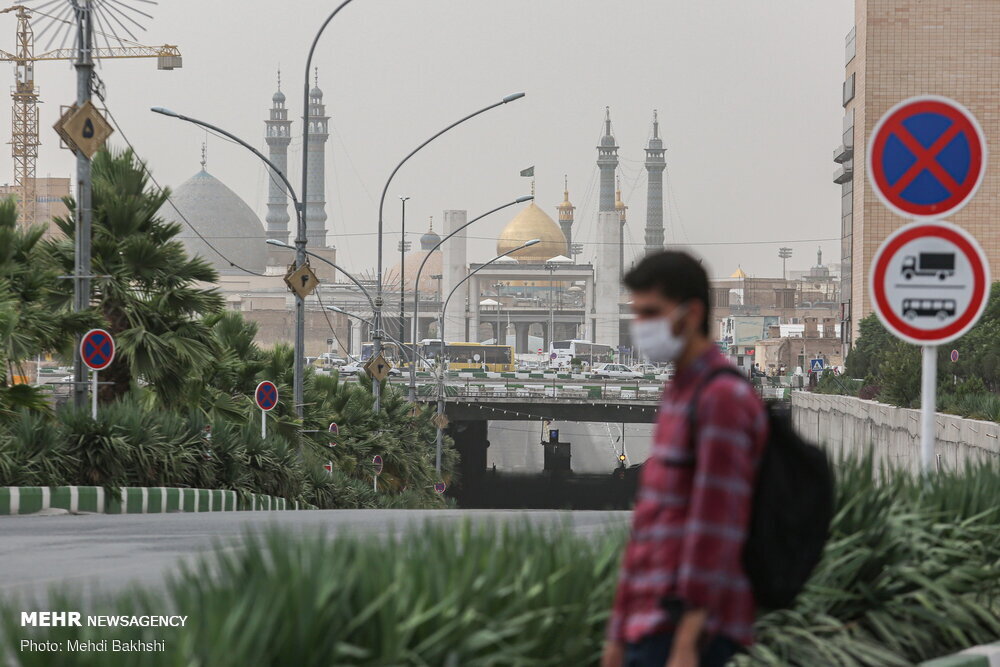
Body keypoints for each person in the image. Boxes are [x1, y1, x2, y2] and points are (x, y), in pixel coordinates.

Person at [602, 251, 768, 667]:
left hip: (688, 634)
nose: (641, 327)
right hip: (647, 621)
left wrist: (687, 643)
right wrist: (618, 634)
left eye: (652, 313)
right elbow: (648, 526)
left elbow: (717, 526)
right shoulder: (679, 392)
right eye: (637, 314)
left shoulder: (722, 399)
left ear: (691, 313)